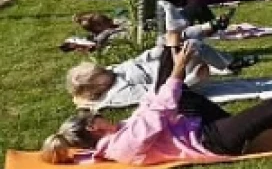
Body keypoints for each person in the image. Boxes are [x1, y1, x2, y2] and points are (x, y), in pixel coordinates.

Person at [40, 38, 272, 165]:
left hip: (197, 125)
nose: (104, 118)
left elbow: (155, 101)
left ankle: (172, 41)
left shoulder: (113, 137)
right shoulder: (122, 146)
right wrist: (175, 68)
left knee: (173, 90)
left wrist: (171, 59)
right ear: (95, 127)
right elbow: (158, 110)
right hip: (214, 142)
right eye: (97, 119)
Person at [64, 32, 255, 110]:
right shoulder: (118, 93)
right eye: (99, 72)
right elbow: (159, 95)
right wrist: (191, 80)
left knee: (182, 37)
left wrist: (161, 47)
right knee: (193, 45)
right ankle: (229, 65)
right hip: (174, 81)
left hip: (167, 66)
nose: (103, 68)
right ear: (97, 84)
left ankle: (229, 64)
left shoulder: (112, 72)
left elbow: (141, 59)